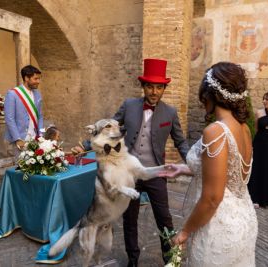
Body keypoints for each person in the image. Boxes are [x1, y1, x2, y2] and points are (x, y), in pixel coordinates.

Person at [73, 58, 189, 266]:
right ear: (143, 86)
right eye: (150, 86)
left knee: (164, 218)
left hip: (154, 173)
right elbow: (108, 129)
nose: (154, 91)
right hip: (129, 173)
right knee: (130, 220)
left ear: (164, 88)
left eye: (159, 87)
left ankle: (169, 260)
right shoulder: (129, 106)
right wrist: (84, 145)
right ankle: (133, 260)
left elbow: (180, 141)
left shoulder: (170, 113)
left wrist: (192, 162)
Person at [161, 62, 257, 266]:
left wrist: (184, 232)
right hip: (244, 219)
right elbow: (228, 173)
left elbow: (213, 198)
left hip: (218, 227)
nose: (202, 101)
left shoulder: (216, 132)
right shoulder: (245, 129)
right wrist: (183, 169)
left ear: (211, 94)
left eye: (203, 96)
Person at [4, 65, 43, 156]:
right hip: (21, 139)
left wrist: (41, 134)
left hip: (36, 138)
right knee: (21, 168)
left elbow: (40, 116)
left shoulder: (37, 94)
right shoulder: (13, 94)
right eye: (35, 79)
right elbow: (9, 118)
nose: (38, 81)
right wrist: (18, 139)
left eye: (39, 79)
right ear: (26, 78)